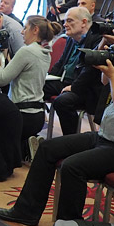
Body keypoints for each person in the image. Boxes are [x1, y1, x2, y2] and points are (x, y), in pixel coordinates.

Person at [0, 27, 114, 225]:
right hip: (110, 139)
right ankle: (26, 212)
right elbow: (105, 81)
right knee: (48, 148)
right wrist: (104, 61)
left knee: (72, 167)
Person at [0, 16, 62, 158]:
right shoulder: (45, 52)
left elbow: (1, 79)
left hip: (20, 116)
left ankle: (23, 146)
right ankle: (25, 145)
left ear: (35, 30)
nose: (22, 32)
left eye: (25, 28)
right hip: (38, 116)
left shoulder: (27, 51)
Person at [44, 7, 103, 136]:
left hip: (86, 88)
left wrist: (74, 87)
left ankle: (70, 139)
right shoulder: (71, 39)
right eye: (65, 21)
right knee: (35, 86)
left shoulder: (97, 39)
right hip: (66, 82)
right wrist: (48, 77)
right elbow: (61, 63)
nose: (65, 24)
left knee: (62, 102)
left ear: (83, 22)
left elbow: (91, 71)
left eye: (70, 21)